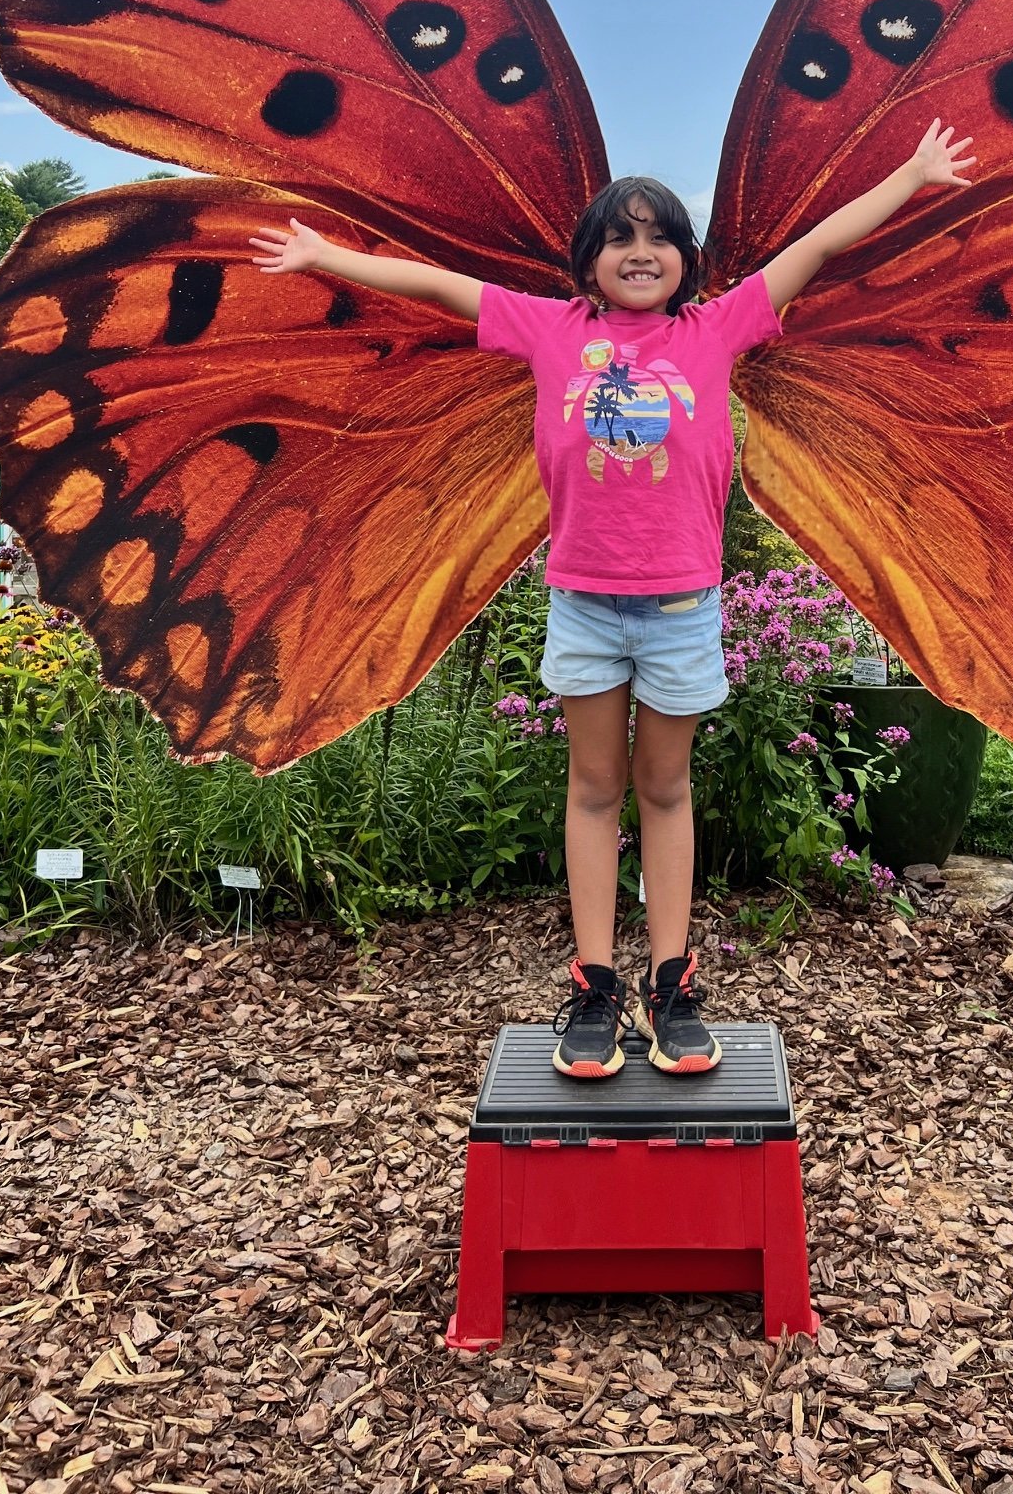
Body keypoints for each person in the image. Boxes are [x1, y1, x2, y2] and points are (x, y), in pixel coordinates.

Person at [250, 116, 974, 1078]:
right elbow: (434, 283)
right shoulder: (548, 328)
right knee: (593, 794)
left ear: (687, 258)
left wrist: (915, 175)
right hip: (586, 604)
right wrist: (320, 253)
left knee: (665, 792)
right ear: (588, 264)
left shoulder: (717, 328)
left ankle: (672, 987)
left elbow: (822, 242)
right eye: (619, 238)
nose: (641, 252)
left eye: (659, 236)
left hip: (680, 608)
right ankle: (595, 988)